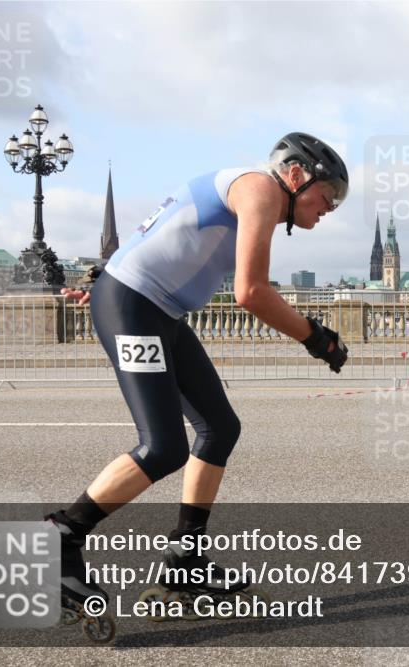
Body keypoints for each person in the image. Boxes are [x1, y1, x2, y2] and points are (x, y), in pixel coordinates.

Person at [47, 133, 350, 611]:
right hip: (135, 306)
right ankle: (60, 537)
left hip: (154, 309)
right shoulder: (262, 191)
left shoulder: (255, 192)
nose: (329, 207)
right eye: (327, 196)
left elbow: (166, 236)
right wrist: (316, 337)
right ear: (295, 175)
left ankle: (186, 558)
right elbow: (251, 293)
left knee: (219, 428)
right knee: (163, 447)